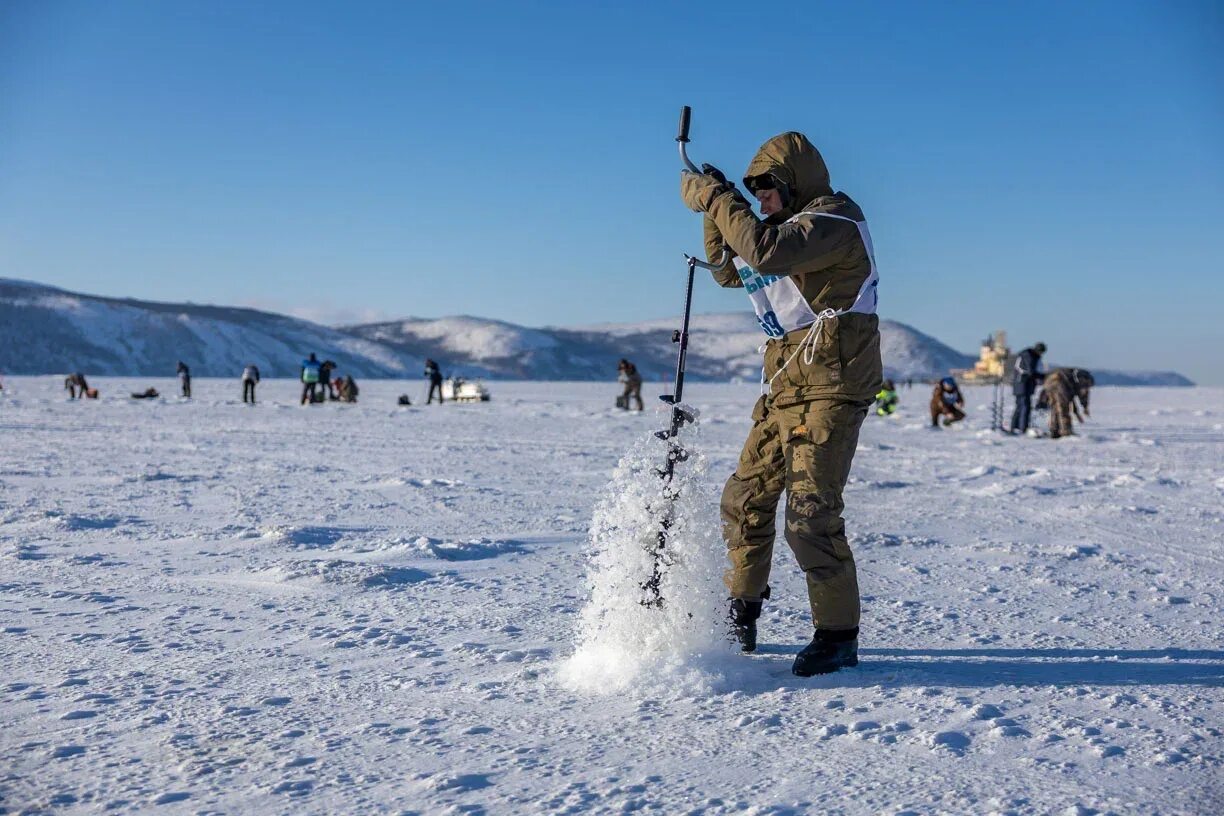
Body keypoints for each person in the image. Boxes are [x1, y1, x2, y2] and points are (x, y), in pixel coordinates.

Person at [681, 130, 881, 676]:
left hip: (831, 386)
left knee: (810, 517)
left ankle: (837, 636)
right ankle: (739, 615)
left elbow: (767, 252)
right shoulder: (783, 229)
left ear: (794, 184)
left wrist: (719, 201)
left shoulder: (834, 220)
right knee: (744, 500)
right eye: (754, 191)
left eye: (766, 189)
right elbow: (730, 268)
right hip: (786, 387)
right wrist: (719, 204)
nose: (761, 200)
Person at [1045, 367, 1094, 438]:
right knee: (1063, 408)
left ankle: (1055, 430)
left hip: (1050, 381)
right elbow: (1072, 399)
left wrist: (1084, 408)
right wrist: (1083, 408)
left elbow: (1072, 399)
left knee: (1056, 407)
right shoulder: (1083, 382)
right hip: (1058, 381)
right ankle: (1066, 431)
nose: (1086, 390)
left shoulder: (1079, 380)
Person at [1009, 342, 1047, 434]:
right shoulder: (1029, 356)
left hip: (1021, 385)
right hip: (1023, 385)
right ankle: (1022, 428)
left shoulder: (1027, 355)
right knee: (1024, 407)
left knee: (1020, 406)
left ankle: (1015, 427)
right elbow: (1031, 372)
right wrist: (1044, 377)